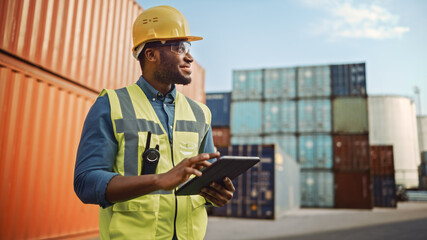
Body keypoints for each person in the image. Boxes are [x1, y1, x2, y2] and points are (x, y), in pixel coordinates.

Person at [74, 5, 235, 240]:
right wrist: (160, 180)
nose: (189, 56)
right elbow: (86, 183)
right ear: (151, 54)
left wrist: (216, 194)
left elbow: (206, 180)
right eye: (179, 47)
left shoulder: (201, 114)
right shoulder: (111, 105)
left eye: (188, 47)